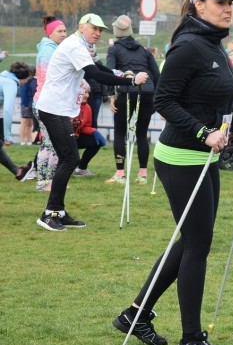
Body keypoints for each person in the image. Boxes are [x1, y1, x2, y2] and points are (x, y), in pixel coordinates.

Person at [112, 0, 233, 345]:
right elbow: (163, 100)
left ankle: (136, 314)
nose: (228, 8)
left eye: (232, 3)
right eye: (220, 2)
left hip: (205, 158)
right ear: (198, 4)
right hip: (181, 158)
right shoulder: (188, 46)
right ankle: (190, 340)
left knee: (191, 242)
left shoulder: (214, 45)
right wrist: (204, 132)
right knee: (197, 246)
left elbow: (225, 96)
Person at [35, 13, 149, 231]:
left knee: (67, 159)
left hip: (58, 108)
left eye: (100, 30)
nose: (97, 33)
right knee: (70, 159)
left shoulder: (81, 46)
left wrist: (121, 74)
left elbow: (102, 69)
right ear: (81, 27)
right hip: (53, 108)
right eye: (93, 28)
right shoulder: (74, 46)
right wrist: (131, 80)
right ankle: (50, 213)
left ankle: (58, 212)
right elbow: (95, 75)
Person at [105, 15, 161, 185]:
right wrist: (157, 97)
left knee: (120, 133)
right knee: (142, 134)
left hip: (127, 91)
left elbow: (109, 72)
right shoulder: (143, 50)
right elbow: (157, 73)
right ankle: (142, 175)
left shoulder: (114, 50)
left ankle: (120, 173)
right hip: (147, 92)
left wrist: (111, 96)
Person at [33, 16, 67, 192]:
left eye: (64, 31)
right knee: (49, 143)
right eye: (59, 31)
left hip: (49, 101)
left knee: (51, 143)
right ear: (50, 33)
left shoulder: (52, 48)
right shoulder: (48, 51)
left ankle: (49, 181)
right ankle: (43, 181)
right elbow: (48, 79)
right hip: (45, 102)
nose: (64, 34)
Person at [72, 83, 107, 176]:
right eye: (85, 92)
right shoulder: (68, 105)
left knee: (96, 142)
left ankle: (81, 168)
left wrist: (93, 131)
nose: (87, 95)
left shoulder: (87, 107)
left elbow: (86, 126)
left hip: (76, 137)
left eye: (88, 93)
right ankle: (35, 167)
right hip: (63, 137)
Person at [0, 61, 31, 145]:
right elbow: (7, 110)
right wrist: (8, 137)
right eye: (27, 79)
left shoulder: (3, 77)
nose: (26, 82)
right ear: (22, 77)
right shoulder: (11, 83)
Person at [18, 64, 37, 145]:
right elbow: (26, 93)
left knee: (29, 123)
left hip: (29, 104)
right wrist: (26, 104)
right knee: (24, 122)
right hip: (26, 104)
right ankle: (22, 140)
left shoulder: (30, 81)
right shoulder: (27, 81)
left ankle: (29, 140)